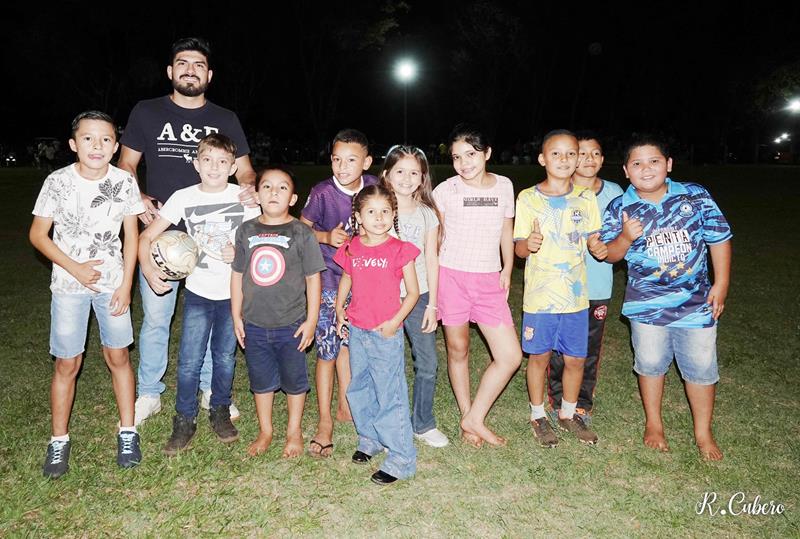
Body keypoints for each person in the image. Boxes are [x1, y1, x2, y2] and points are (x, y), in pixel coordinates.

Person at [118, 36, 257, 425]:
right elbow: (127, 166)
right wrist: (139, 197)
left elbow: (244, 168)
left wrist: (248, 187)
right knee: (158, 316)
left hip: (214, 234)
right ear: (170, 71)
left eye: (198, 65)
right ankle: (149, 393)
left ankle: (214, 390)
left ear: (209, 75)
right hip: (163, 233)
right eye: (182, 63)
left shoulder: (226, 118)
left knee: (215, 318)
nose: (190, 70)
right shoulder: (146, 112)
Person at [600, 136, 732, 460]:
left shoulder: (695, 196)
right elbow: (611, 255)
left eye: (654, 161)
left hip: (696, 302)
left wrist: (722, 284)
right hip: (646, 305)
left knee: (701, 366)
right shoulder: (620, 207)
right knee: (649, 363)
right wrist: (625, 236)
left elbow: (719, 239)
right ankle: (654, 424)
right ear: (626, 171)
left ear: (669, 164)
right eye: (637, 163)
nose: (646, 168)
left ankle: (703, 433)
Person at [30, 111, 145, 478]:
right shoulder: (57, 182)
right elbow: (37, 235)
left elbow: (132, 235)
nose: (97, 146)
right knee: (68, 363)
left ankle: (128, 432)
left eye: (106, 139)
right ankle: (59, 440)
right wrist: (74, 268)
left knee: (118, 356)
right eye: (88, 138)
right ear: (73, 144)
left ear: (116, 145)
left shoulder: (124, 182)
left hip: (112, 284)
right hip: (68, 285)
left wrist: (126, 284)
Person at [137, 134, 260, 454]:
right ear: (196, 164)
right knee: (190, 359)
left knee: (224, 356)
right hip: (198, 293)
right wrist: (149, 270)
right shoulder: (183, 197)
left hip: (232, 294)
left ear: (234, 167)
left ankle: (219, 410)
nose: (215, 167)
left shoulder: (244, 198)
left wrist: (240, 252)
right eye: (207, 160)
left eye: (222, 162)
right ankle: (184, 419)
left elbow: (260, 242)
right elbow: (148, 236)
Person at [514, 129, 607, 447]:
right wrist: (529, 243)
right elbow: (519, 250)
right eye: (556, 153)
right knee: (538, 358)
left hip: (575, 297)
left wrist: (599, 246)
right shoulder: (528, 198)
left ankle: (568, 413)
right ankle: (538, 415)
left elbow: (593, 237)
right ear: (542, 159)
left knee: (576, 359)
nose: (565, 159)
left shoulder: (586, 198)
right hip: (540, 299)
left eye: (571, 153)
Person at [432, 124, 522, 448]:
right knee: (458, 349)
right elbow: (436, 237)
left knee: (510, 356)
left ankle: (475, 416)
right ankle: (468, 416)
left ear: (486, 153)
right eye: (457, 157)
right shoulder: (445, 191)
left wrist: (508, 268)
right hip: (451, 276)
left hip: (488, 279)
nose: (464, 163)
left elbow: (505, 229)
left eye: (470, 154)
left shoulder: (504, 186)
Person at [231, 167, 325, 458]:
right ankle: (266, 430)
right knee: (261, 381)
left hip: (292, 323)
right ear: (256, 194)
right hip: (255, 323)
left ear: (293, 198)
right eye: (267, 187)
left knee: (295, 382)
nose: (274, 192)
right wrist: (236, 316)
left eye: (282, 188)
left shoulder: (301, 232)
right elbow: (237, 275)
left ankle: (293, 431)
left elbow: (313, 278)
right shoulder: (246, 231)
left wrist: (311, 320)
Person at [333, 184, 420, 485]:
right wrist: (338, 308)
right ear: (358, 216)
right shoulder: (352, 246)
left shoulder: (400, 250)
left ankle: (401, 457)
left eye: (385, 211)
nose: (379, 217)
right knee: (359, 386)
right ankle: (369, 438)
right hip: (358, 329)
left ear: (393, 214)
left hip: (385, 332)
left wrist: (395, 322)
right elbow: (347, 276)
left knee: (390, 393)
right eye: (371, 211)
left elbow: (413, 293)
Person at [299, 128, 378, 457]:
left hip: (363, 283)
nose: (342, 167)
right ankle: (325, 421)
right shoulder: (322, 192)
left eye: (351, 160)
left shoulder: (375, 188)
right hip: (329, 281)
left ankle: (347, 405)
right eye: (336, 160)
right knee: (327, 352)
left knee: (350, 345)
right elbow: (300, 228)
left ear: (366, 162)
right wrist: (324, 237)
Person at [547, 133, 623, 422]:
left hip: (598, 285)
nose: (589, 160)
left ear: (603, 159)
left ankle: (582, 403)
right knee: (558, 347)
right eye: (582, 154)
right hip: (561, 284)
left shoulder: (615, 192)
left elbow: (623, 234)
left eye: (596, 154)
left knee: (589, 349)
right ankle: (557, 401)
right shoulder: (559, 191)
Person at [380, 145, 449, 448]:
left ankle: (422, 423)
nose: (406, 178)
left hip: (419, 296)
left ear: (423, 178)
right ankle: (386, 424)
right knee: (385, 364)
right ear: (386, 175)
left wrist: (433, 303)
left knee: (428, 363)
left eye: (414, 173)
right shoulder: (377, 211)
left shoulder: (426, 215)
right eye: (400, 171)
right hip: (383, 298)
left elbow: (432, 260)